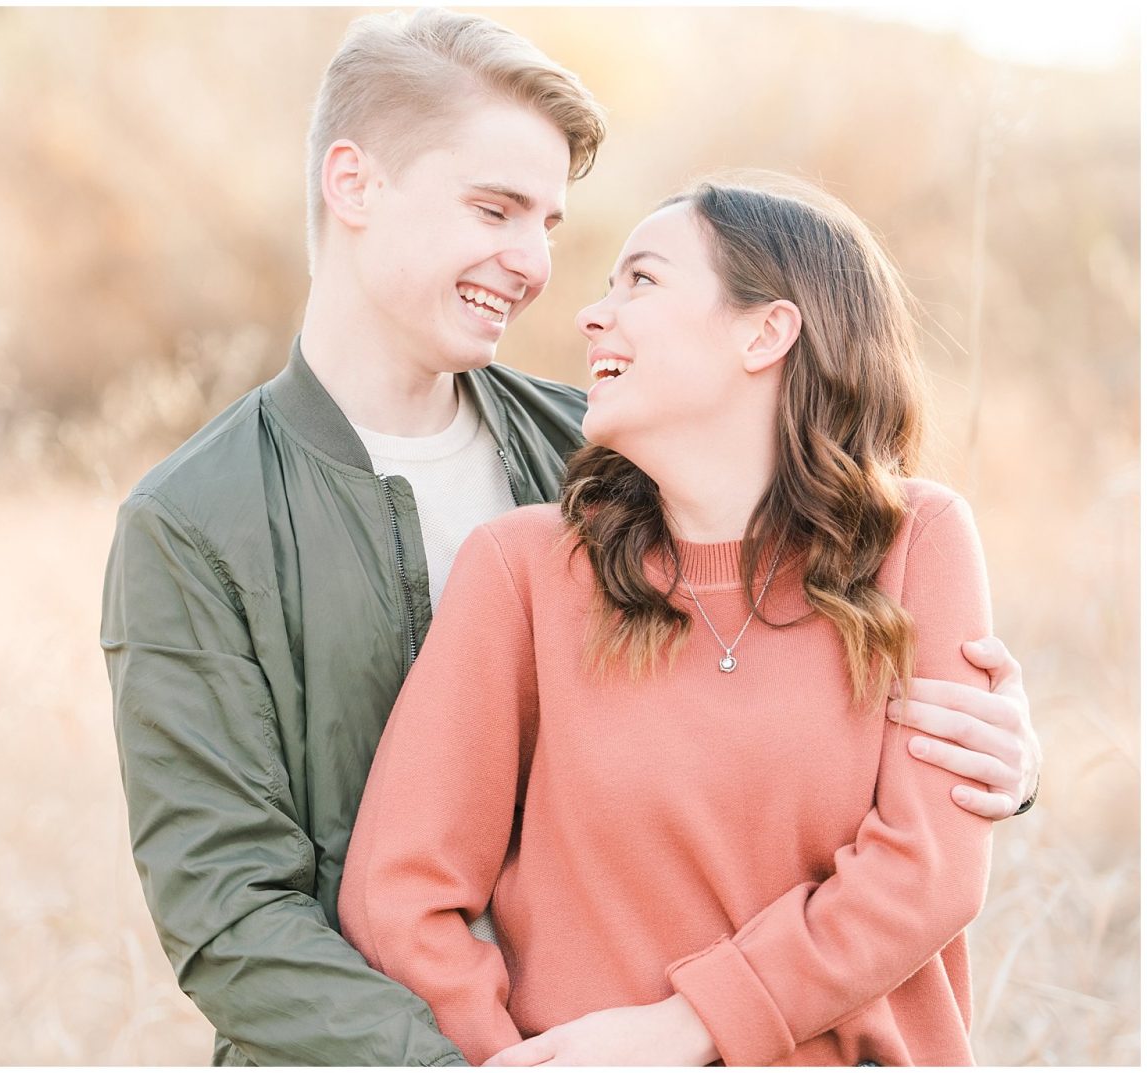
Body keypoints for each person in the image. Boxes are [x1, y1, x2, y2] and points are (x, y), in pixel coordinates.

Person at [101, 11, 1040, 1066]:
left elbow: (817, 670)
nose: (537, 264)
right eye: (495, 209)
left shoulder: (614, 456)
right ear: (354, 183)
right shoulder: (193, 523)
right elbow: (230, 918)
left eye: (548, 221)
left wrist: (989, 759)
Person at [339, 175, 1015, 1066]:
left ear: (765, 331)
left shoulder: (917, 541)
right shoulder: (526, 570)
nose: (591, 314)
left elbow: (927, 875)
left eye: (641, 282)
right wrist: (512, 1058)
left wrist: (684, 1027)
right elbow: (397, 891)